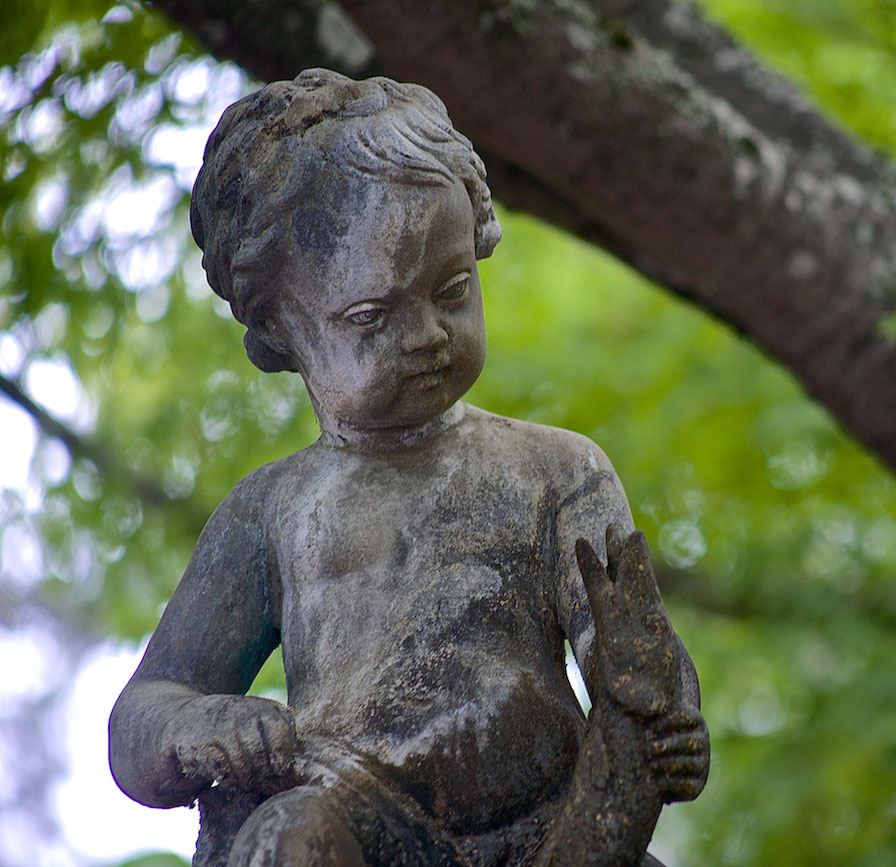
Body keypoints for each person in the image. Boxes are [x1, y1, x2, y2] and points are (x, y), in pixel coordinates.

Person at [108, 68, 708, 867]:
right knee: (288, 840)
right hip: (359, 825)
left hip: (554, 829)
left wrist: (665, 722)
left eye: (453, 290)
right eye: (371, 316)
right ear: (278, 327)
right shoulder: (273, 510)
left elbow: (633, 654)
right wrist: (199, 727)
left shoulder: (556, 470)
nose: (426, 333)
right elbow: (143, 711)